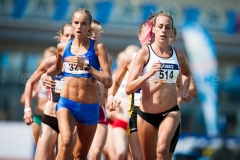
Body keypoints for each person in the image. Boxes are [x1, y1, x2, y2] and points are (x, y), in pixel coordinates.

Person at [41, 8, 112, 160]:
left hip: (90, 107)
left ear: (89, 26)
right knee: (66, 142)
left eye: (84, 24)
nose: (79, 27)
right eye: (76, 23)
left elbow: (108, 80)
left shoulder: (98, 48)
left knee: (80, 155)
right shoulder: (63, 47)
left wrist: (87, 67)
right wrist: (45, 76)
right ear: (72, 24)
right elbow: (58, 68)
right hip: (67, 104)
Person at [125, 11, 192, 160]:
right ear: (153, 29)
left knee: (162, 150)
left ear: (171, 31)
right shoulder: (144, 53)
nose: (163, 30)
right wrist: (148, 74)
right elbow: (129, 88)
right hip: (146, 115)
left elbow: (187, 74)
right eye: (160, 26)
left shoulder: (178, 55)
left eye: (167, 27)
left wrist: (185, 91)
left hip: (170, 111)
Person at [23, 24, 74, 160]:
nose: (70, 39)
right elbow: (30, 82)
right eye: (67, 35)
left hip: (71, 120)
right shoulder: (49, 62)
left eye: (73, 36)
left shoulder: (83, 64)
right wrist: (27, 109)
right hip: (49, 117)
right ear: (61, 37)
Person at [86, 19, 114, 160]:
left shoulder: (107, 58)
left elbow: (108, 82)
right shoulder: (75, 53)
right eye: (92, 32)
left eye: (98, 33)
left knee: (96, 152)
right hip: (78, 107)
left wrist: (109, 97)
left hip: (99, 108)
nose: (95, 36)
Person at [22, 46, 57, 145]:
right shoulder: (37, 78)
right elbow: (23, 100)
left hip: (52, 115)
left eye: (51, 58)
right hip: (38, 116)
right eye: (47, 58)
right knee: (39, 147)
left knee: (51, 149)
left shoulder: (58, 76)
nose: (49, 61)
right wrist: (34, 93)